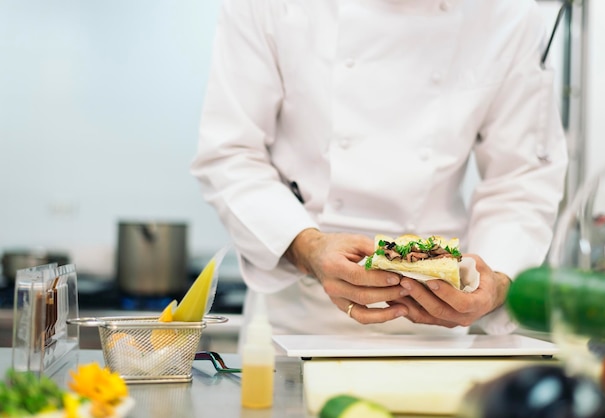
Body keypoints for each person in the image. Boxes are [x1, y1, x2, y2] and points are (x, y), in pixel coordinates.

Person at [190, 0, 568, 337]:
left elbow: (521, 179)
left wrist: (498, 280)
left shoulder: (509, 14)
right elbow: (231, 154)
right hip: (299, 324)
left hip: (437, 327)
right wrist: (308, 247)